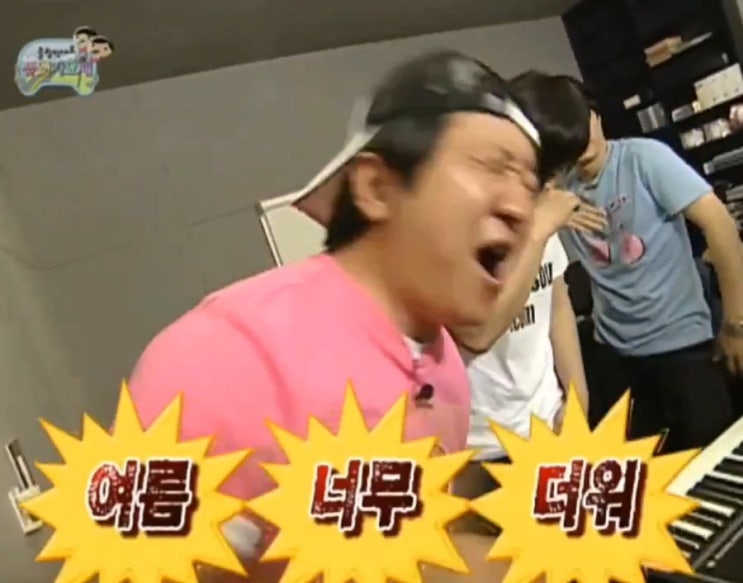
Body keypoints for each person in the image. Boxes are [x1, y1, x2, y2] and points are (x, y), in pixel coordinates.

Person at [126, 51, 574, 582]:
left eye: (528, 184)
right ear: (377, 188)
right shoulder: (226, 357)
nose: (521, 210)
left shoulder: (447, 372)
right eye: (491, 166)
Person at [450, 72, 606, 510]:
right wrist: (538, 230)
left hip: (549, 421)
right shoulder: (462, 224)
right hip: (481, 446)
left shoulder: (539, 213)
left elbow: (556, 304)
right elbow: (477, 332)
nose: (553, 184)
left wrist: (577, 394)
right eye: (549, 169)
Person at [560, 79, 743, 452]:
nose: (582, 135)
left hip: (684, 345)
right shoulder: (560, 195)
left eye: (585, 119)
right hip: (617, 356)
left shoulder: (644, 158)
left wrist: (736, 324)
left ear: (596, 115)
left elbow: (721, 225)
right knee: (645, 475)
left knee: (716, 461)